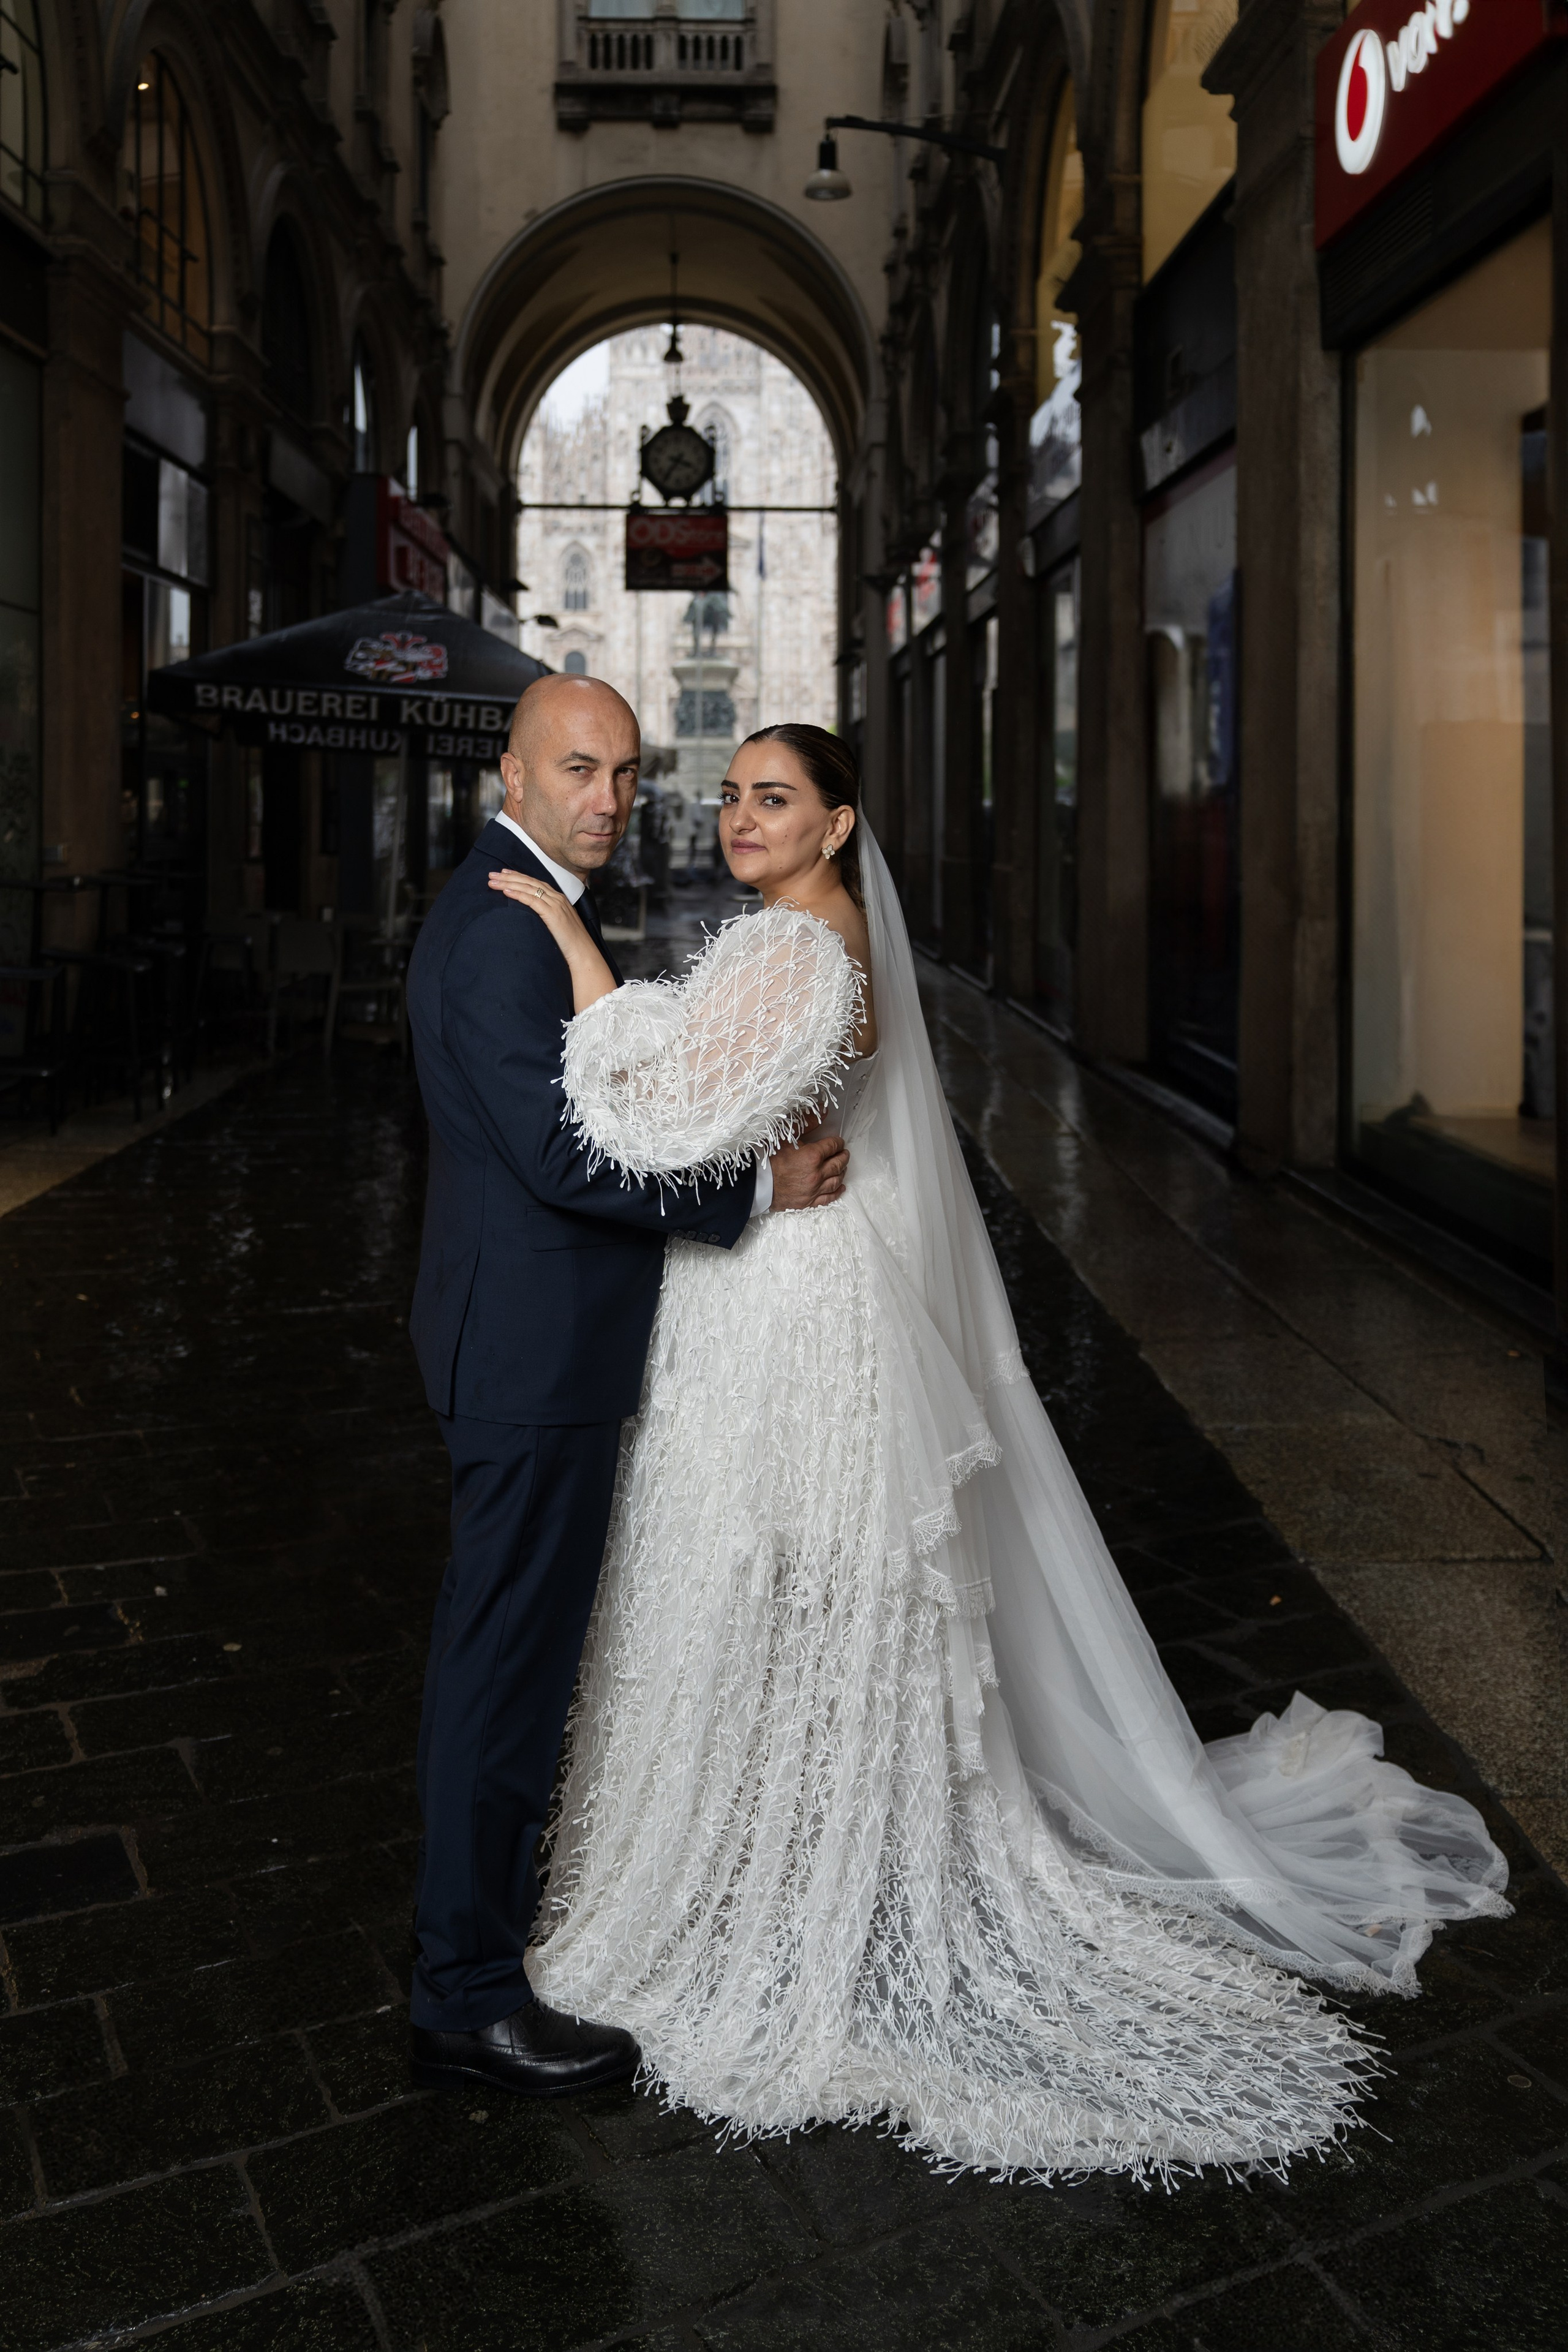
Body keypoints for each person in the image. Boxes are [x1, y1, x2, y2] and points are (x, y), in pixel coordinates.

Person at [487, 721, 1511, 2182]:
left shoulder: (799, 948)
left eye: (773, 799)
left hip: (783, 1302)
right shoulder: (819, 940)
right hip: (781, 1285)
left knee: (757, 1572)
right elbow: (706, 1096)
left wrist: (574, 960)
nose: (737, 818)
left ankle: (780, 1876)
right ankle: (794, 1846)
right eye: (729, 796)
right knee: (777, 1576)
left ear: (838, 825)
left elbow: (650, 1122)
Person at [404, 677, 847, 2100]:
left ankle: (469, 1956)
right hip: (528, 1356)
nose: (606, 799)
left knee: (505, 1662)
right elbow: (561, 1157)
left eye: (625, 773)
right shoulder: (499, 927)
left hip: (535, 1344)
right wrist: (754, 1191)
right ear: (512, 775)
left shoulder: (526, 907)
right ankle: (466, 1999)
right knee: (502, 1672)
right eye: (577, 770)